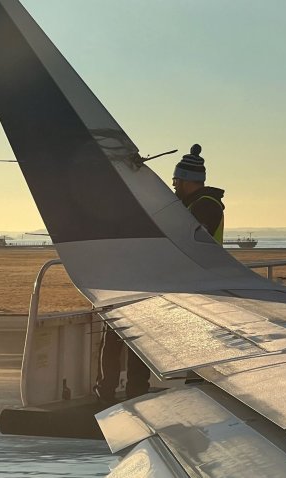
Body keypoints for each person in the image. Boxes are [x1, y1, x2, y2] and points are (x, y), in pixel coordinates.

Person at [94, 144, 225, 403]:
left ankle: (114, 390)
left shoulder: (205, 206)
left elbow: (186, 241)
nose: (173, 186)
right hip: (175, 280)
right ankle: (130, 390)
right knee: (132, 335)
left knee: (121, 335)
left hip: (192, 283)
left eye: (176, 180)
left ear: (186, 181)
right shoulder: (193, 205)